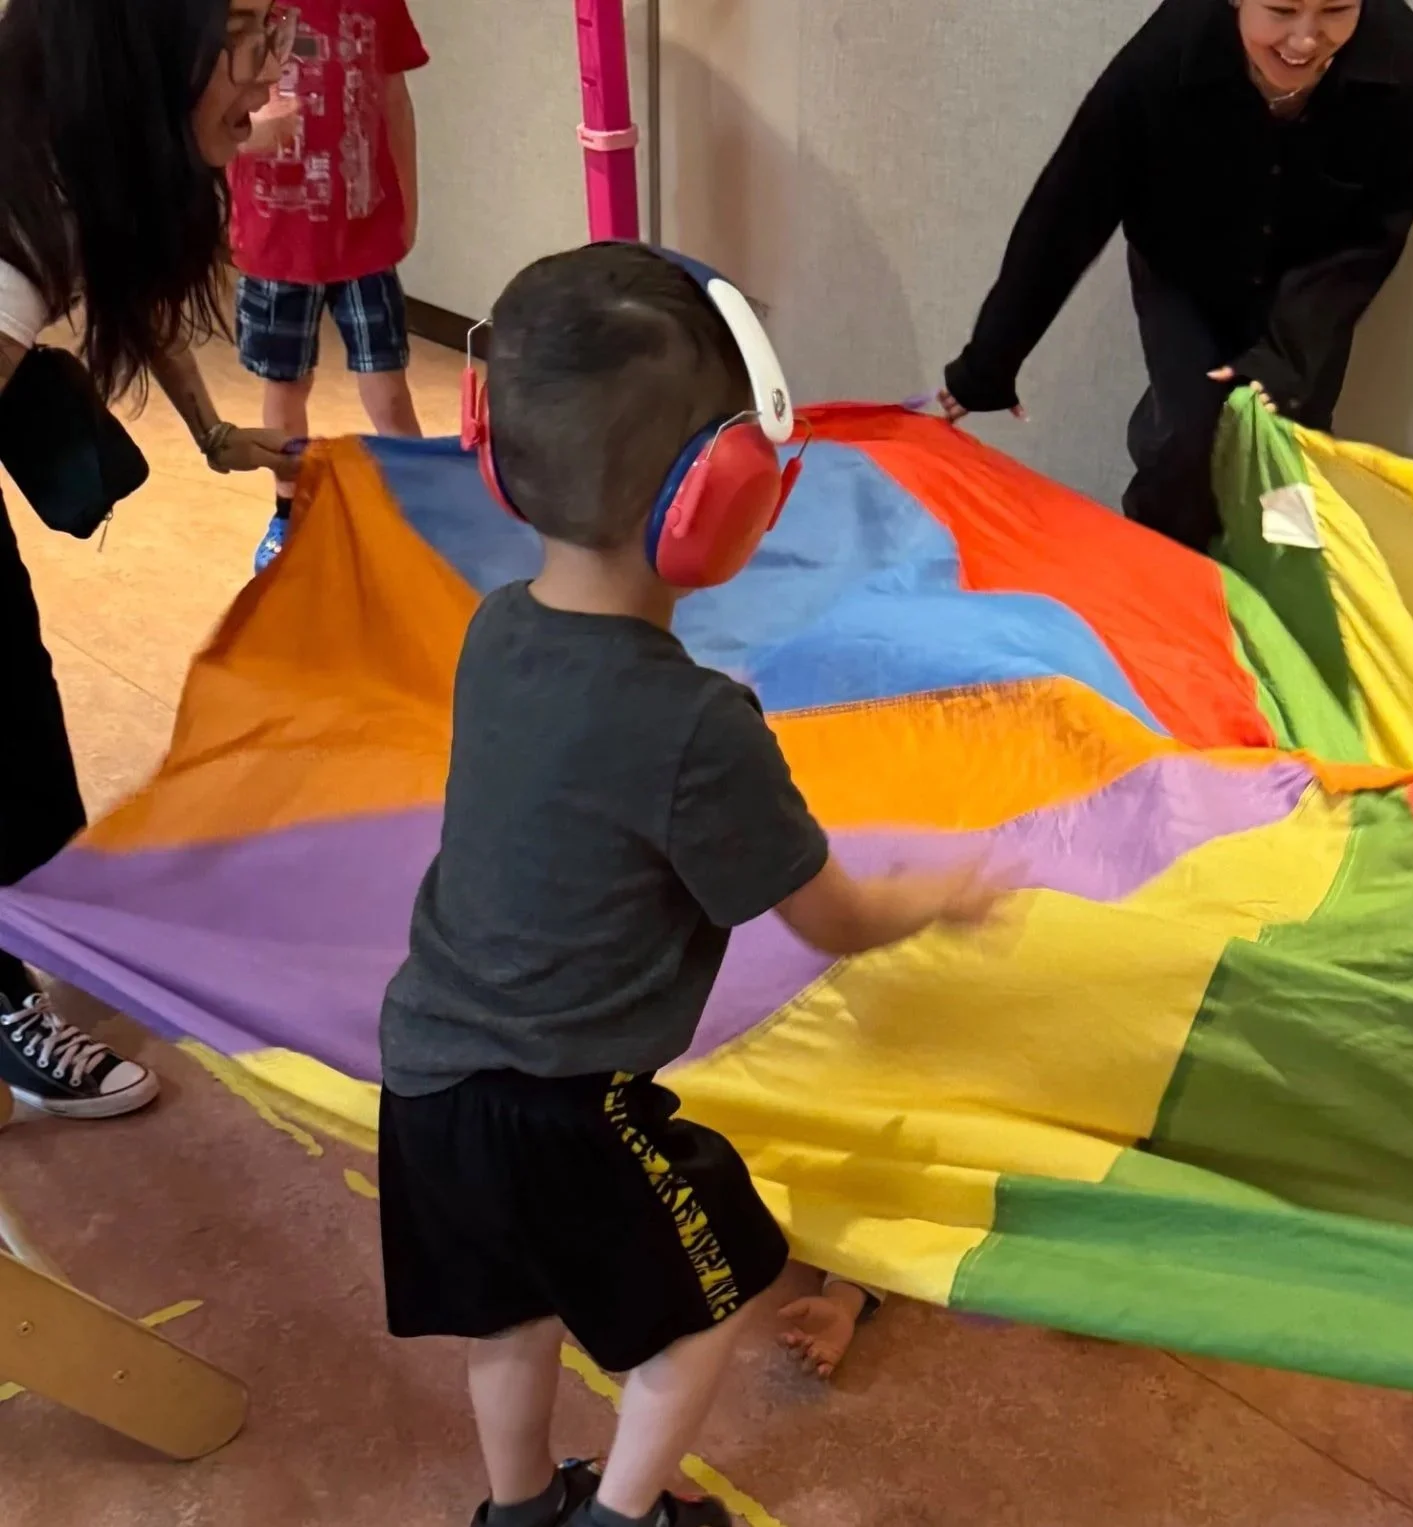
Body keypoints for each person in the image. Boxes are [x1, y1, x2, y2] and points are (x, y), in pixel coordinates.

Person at [377, 242, 1002, 1527]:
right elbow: (827, 917)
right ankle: (623, 1518)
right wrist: (932, 894)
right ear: (724, 497)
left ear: (493, 448)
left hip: (426, 1083)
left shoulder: (495, 629)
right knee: (712, 1302)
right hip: (568, 1114)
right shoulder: (701, 725)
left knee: (510, 1311)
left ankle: (517, 1511)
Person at [0, 0, 300, 1118]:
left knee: (13, 688)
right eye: (249, 36)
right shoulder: (19, 218)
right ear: (146, 48)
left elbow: (131, 283)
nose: (271, 77)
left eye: (280, 31)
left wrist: (215, 435)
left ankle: (54, 902)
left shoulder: (89, 150)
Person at [941, 0, 1413, 551]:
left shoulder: (1403, 68)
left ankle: (1260, 604)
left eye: (1335, 10)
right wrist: (989, 363)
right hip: (1183, 267)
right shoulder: (1166, 55)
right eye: (1280, 10)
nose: (1305, 40)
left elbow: (1371, 237)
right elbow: (1070, 207)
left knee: (1282, 451)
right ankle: (1159, 588)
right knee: (1186, 440)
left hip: (1305, 286)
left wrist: (1288, 353)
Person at [229, 0, 429, 573]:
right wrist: (250, 134)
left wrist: (408, 204)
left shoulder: (378, 6)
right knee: (286, 388)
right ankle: (288, 514)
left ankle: (421, 505)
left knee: (388, 389)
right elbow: (196, 119)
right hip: (274, 239)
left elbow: (395, 100)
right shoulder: (240, 11)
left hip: (363, 235)